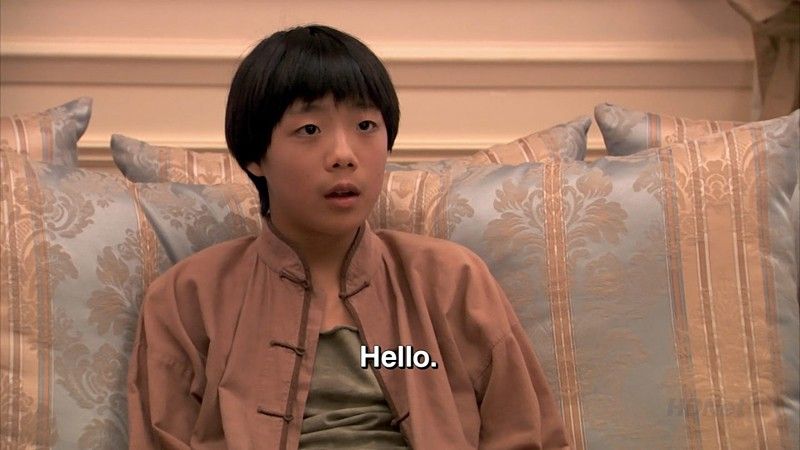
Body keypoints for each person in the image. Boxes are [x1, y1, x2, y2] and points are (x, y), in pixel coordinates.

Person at [127, 24, 570, 450]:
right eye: (309, 130)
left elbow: (527, 436)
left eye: (365, 126)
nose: (343, 155)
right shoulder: (187, 298)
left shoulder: (452, 280)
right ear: (254, 156)